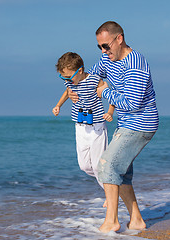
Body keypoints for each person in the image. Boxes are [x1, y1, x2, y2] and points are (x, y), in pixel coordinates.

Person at [68, 21, 159, 233]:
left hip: (141, 123)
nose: (103, 51)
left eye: (106, 46)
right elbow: (90, 76)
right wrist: (75, 90)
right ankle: (136, 220)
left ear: (120, 39)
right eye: (99, 46)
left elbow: (132, 103)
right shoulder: (107, 59)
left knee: (107, 166)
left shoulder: (135, 64)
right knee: (122, 174)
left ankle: (111, 221)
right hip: (126, 123)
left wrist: (104, 92)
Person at [52, 52, 115, 189]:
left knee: (99, 167)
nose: (67, 80)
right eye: (64, 78)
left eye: (69, 77)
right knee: (85, 166)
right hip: (80, 127)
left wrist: (110, 112)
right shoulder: (69, 81)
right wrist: (58, 105)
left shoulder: (94, 80)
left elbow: (110, 94)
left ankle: (110, 193)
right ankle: (111, 183)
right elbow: (68, 90)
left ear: (80, 71)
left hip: (97, 127)